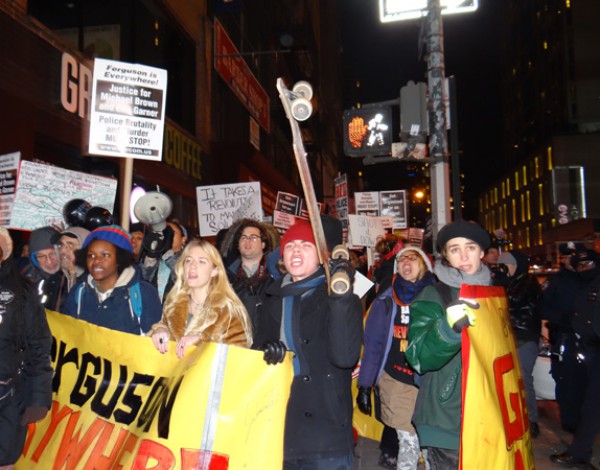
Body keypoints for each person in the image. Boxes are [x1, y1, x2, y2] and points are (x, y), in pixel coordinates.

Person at [254, 219, 363, 469]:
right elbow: (254, 354)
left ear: (321, 256)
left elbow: (345, 357)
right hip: (282, 426)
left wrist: (340, 297)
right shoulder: (271, 300)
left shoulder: (339, 298)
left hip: (327, 430)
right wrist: (266, 352)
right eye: (290, 245)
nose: (296, 250)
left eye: (306, 245)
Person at [406, 219, 491, 468]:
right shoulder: (434, 295)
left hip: (489, 417)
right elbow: (418, 356)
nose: (463, 255)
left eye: (470, 247)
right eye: (455, 249)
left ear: (482, 252)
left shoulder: (493, 294)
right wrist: (449, 329)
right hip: (447, 421)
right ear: (446, 256)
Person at [357, 246, 436, 470]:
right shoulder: (384, 300)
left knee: (430, 446)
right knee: (408, 442)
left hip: (429, 382)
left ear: (424, 265)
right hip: (396, 380)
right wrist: (365, 385)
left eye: (413, 258)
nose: (406, 263)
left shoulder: (437, 297)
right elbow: (373, 346)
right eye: (401, 259)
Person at [0, 227, 52, 468]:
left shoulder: (22, 290)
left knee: (5, 460)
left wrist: (39, 396)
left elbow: (39, 343)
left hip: (9, 398)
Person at [149, 240, 252, 358]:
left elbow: (238, 358)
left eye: (202, 261)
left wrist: (202, 340)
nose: (192, 266)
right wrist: (160, 332)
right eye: (188, 261)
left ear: (215, 271)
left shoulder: (228, 310)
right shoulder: (172, 304)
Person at [62, 225, 162, 335]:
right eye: (91, 255)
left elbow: (153, 343)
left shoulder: (143, 294)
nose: (96, 261)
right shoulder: (79, 292)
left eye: (105, 255)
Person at [550, 248, 600, 468]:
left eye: (588, 265)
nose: (584, 269)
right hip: (592, 351)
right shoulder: (586, 285)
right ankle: (580, 452)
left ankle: (580, 452)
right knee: (591, 404)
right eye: (580, 266)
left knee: (592, 403)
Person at [495, 250, 543, 438]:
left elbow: (514, 300)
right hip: (509, 336)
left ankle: (531, 420)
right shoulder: (511, 281)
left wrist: (502, 281)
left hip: (524, 337)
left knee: (523, 379)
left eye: (507, 265)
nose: (505, 269)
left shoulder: (528, 282)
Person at [542, 242, 586, 434]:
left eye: (574, 256)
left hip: (587, 338)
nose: (571, 260)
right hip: (564, 337)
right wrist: (563, 319)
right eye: (567, 256)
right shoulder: (556, 280)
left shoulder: (588, 277)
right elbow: (542, 307)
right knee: (565, 380)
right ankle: (570, 422)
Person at [219, 218, 280, 333]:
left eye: (253, 237)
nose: (248, 241)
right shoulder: (225, 278)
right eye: (244, 237)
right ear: (238, 245)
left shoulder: (276, 275)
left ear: (263, 244)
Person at [139, 219, 188, 303]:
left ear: (183, 239)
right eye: (162, 232)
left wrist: (169, 253)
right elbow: (143, 279)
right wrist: (151, 256)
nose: (166, 235)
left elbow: (182, 279)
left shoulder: (188, 259)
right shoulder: (158, 260)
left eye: (171, 232)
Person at [42, 226, 90, 312]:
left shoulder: (96, 285)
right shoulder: (54, 280)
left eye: (70, 245)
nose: (62, 250)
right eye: (60, 245)